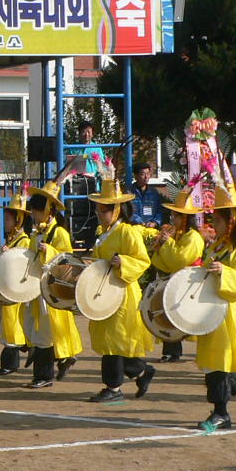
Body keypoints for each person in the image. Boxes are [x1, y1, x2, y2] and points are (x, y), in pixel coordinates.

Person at [84, 170, 156, 403]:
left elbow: (143, 260)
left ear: (115, 210)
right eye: (98, 209)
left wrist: (123, 262)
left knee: (114, 341)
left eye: (102, 209)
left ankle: (113, 388)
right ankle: (141, 371)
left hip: (123, 293)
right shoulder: (104, 233)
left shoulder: (128, 232)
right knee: (110, 340)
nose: (98, 213)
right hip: (106, 292)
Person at [195, 184, 236, 431]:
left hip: (228, 312)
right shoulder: (217, 247)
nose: (214, 226)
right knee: (214, 360)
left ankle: (221, 412)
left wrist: (224, 272)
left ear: (231, 222)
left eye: (218, 221)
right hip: (212, 309)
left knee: (220, 362)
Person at [20, 173, 85, 388]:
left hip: (52, 290)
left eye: (36, 211)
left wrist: (49, 250)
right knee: (37, 330)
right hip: (37, 288)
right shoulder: (36, 233)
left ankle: (44, 375)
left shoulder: (59, 233)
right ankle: (59, 362)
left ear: (47, 211)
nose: (33, 215)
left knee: (44, 333)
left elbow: (68, 261)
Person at [148, 188, 205, 363]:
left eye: (177, 216)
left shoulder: (193, 237)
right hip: (177, 278)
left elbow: (179, 260)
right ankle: (171, 350)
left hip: (189, 281)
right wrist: (158, 248)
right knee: (169, 313)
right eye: (173, 216)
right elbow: (166, 263)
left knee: (187, 317)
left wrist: (167, 244)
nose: (173, 219)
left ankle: (179, 350)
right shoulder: (180, 235)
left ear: (186, 218)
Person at [0, 191, 30, 375]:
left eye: (8, 219)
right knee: (5, 324)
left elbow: (21, 266)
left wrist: (8, 255)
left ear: (18, 220)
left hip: (14, 291)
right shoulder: (12, 239)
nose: (4, 223)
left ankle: (11, 363)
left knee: (12, 325)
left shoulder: (24, 241)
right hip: (5, 290)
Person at [128, 164, 165, 229]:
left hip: (151, 229)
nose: (146, 177)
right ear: (136, 176)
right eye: (143, 174)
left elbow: (159, 211)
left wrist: (155, 222)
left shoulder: (154, 193)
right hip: (134, 229)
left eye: (148, 174)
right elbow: (127, 211)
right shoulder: (129, 193)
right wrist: (140, 222)